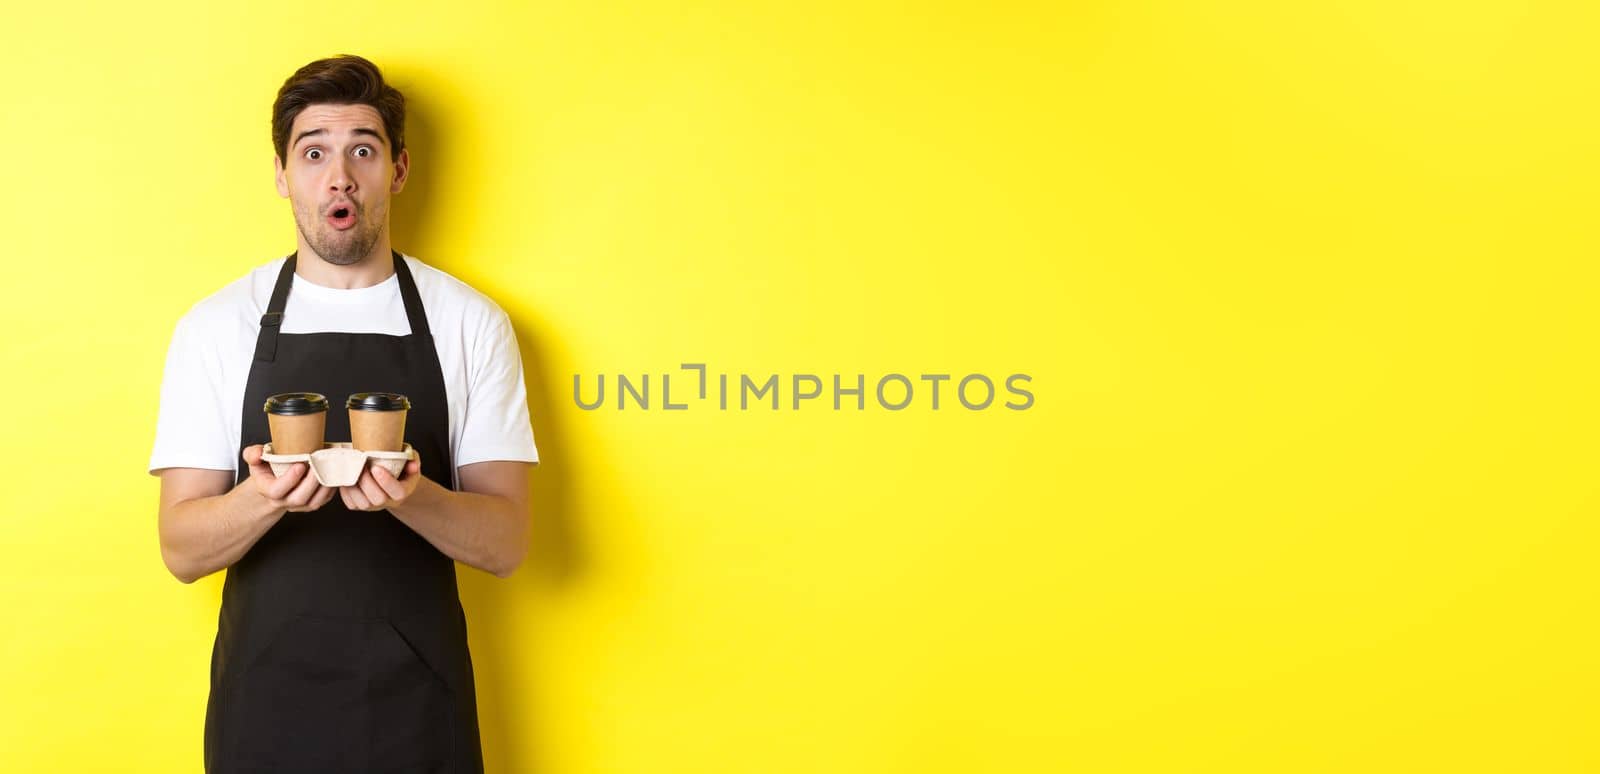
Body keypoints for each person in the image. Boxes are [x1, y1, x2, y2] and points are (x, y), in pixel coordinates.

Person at [148, 54, 538, 773]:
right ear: (281, 174)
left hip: (419, 712)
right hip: (261, 710)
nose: (340, 175)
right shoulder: (216, 326)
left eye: (364, 148)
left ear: (398, 169)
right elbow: (182, 548)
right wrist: (264, 499)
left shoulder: (470, 323)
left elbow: (506, 542)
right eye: (314, 151)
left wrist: (409, 495)